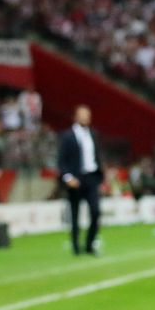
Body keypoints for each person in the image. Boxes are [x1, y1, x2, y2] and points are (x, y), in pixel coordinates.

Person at [57, 105, 104, 256]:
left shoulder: (94, 134)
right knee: (75, 215)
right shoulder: (67, 136)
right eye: (82, 115)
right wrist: (68, 177)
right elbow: (61, 161)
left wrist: (100, 175)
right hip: (75, 179)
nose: (85, 118)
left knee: (96, 211)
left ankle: (90, 244)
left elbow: (97, 156)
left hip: (91, 177)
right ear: (76, 117)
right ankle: (76, 246)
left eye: (87, 115)